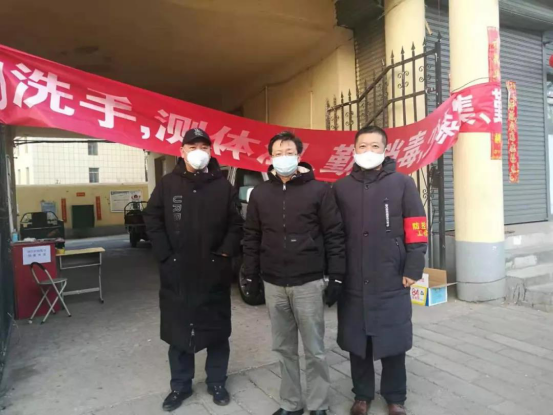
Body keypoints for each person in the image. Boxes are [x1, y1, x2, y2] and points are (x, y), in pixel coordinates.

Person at [243, 131, 346, 415]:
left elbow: (334, 235)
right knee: (283, 348)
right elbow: (251, 236)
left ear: (299, 156)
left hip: (308, 282)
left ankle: (318, 404)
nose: (283, 157)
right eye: (278, 153)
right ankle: (290, 403)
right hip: (273, 283)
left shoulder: (320, 190)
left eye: (289, 152)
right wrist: (250, 274)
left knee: (314, 349)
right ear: (270, 157)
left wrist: (337, 276)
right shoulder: (260, 193)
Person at [143, 128, 243, 412]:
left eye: (204, 147)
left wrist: (224, 252)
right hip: (178, 272)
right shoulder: (168, 184)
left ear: (210, 151)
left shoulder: (223, 186)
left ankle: (217, 382)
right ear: (182, 151)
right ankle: (180, 386)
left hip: (214, 271)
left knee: (217, 331)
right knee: (178, 332)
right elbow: (152, 218)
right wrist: (165, 255)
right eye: (192, 147)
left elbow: (236, 224)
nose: (198, 152)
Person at [332, 126, 427, 415]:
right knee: (357, 341)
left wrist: (413, 266)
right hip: (354, 276)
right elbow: (334, 233)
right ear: (354, 150)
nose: (368, 151)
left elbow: (416, 227)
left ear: (385, 150)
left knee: (393, 339)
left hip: (392, 274)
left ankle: (395, 397)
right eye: (362, 146)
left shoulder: (402, 183)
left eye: (375, 146)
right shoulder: (341, 187)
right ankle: (362, 395)